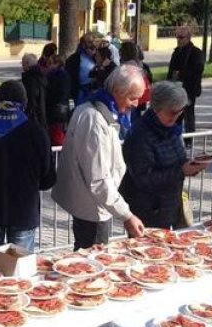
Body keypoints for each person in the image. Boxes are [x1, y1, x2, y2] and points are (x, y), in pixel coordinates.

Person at [52, 65, 147, 249]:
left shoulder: (94, 108)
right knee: (91, 264)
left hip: (93, 204)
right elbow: (99, 180)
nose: (136, 104)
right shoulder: (95, 119)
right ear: (118, 91)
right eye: (133, 98)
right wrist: (127, 216)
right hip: (92, 208)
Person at [0, 80, 55, 265]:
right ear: (25, 101)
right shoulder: (36, 132)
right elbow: (47, 177)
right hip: (23, 210)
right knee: (20, 271)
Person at [120, 82, 206, 229]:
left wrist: (193, 165)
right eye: (172, 112)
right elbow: (142, 179)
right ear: (157, 108)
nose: (177, 116)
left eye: (180, 112)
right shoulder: (140, 135)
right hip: (149, 210)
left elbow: (177, 160)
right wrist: (182, 171)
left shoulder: (171, 129)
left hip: (169, 205)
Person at [168, 27, 205, 133]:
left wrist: (181, 73)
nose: (178, 40)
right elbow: (171, 70)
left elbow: (197, 70)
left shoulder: (196, 52)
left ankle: (189, 139)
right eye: (177, 37)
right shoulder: (176, 52)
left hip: (189, 88)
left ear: (188, 37)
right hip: (175, 88)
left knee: (188, 114)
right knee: (175, 114)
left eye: (181, 37)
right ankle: (175, 136)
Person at [44, 46, 71, 146]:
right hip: (56, 109)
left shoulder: (60, 76)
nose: (48, 67)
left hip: (58, 111)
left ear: (58, 64)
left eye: (51, 64)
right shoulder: (54, 75)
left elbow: (60, 94)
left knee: (57, 135)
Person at [67, 33, 100, 105]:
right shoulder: (74, 58)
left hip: (95, 90)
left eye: (94, 42)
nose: (93, 45)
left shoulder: (99, 56)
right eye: (89, 42)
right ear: (83, 44)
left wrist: (95, 57)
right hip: (80, 92)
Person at [20, 53, 48, 132]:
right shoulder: (41, 75)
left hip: (34, 115)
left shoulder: (30, 79)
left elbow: (31, 98)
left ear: (27, 64)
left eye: (23, 63)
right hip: (42, 113)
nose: (22, 66)